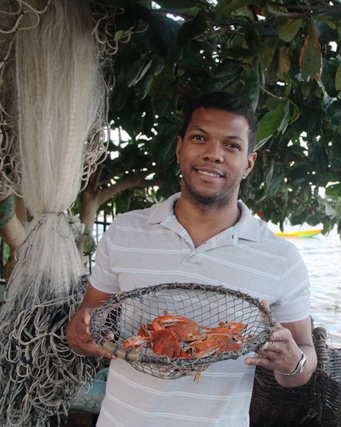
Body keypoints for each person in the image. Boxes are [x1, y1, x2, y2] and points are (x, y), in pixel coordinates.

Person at [66, 91, 317, 426]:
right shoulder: (125, 232)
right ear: (180, 148)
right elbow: (85, 325)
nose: (213, 154)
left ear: (249, 163)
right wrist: (79, 336)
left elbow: (303, 361)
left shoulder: (281, 258)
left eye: (231, 145)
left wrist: (293, 362)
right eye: (200, 138)